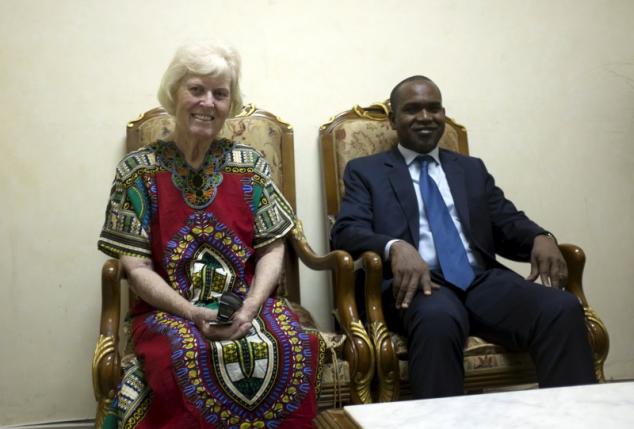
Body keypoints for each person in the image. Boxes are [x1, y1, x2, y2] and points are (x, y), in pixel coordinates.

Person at [98, 41, 322, 428]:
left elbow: (273, 248)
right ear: (174, 93)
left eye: (220, 94)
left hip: (248, 304)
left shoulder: (250, 165)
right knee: (183, 355)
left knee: (291, 344)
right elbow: (135, 268)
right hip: (167, 310)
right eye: (197, 89)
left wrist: (251, 307)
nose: (208, 102)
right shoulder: (137, 171)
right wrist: (191, 312)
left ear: (230, 105)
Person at [331, 75, 596, 399]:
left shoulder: (470, 169)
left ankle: (573, 416)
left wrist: (541, 236)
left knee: (561, 308)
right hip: (419, 286)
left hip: (480, 280)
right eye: (413, 109)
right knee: (438, 318)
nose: (425, 117)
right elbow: (346, 230)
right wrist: (395, 246)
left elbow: (506, 221)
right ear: (393, 119)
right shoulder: (367, 171)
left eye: (434, 108)